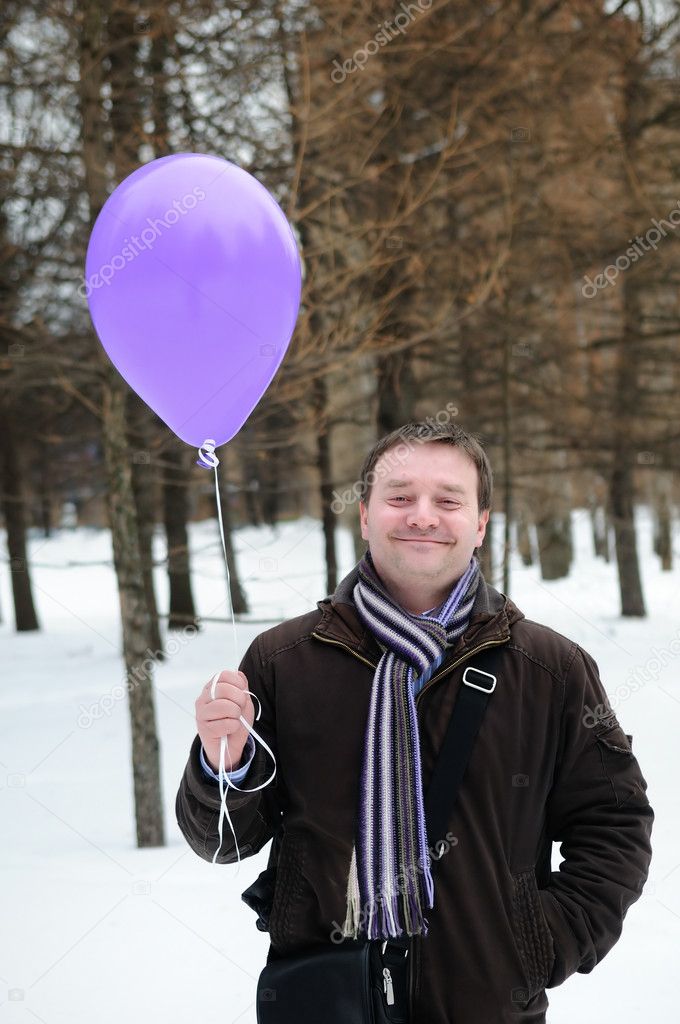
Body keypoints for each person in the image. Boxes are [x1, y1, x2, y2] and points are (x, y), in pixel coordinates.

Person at [176, 421, 654, 1023]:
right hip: (326, 999)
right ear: (365, 515)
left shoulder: (549, 669)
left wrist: (540, 945)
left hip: (488, 1004)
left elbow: (614, 823)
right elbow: (222, 840)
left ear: (480, 523)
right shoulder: (283, 661)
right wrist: (225, 762)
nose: (422, 516)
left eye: (448, 500)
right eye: (399, 497)